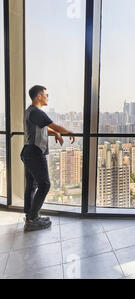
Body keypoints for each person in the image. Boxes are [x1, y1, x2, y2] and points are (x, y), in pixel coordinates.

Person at [21, 85, 76, 232]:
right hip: (35, 153)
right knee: (45, 184)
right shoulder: (37, 111)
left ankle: (30, 216)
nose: (47, 97)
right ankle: (32, 219)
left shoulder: (30, 111)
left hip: (28, 151)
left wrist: (56, 134)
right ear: (39, 96)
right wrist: (67, 131)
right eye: (46, 94)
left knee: (32, 185)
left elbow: (45, 128)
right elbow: (54, 125)